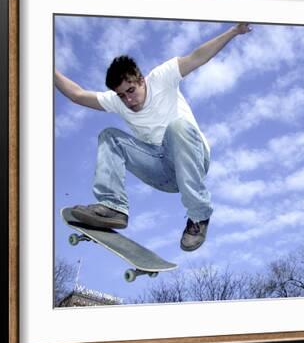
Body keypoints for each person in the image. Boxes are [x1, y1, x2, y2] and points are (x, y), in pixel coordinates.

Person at [54, 22, 252, 251]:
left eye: (131, 91)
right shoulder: (118, 102)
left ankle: (198, 217)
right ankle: (113, 207)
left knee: (177, 127)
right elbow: (77, 96)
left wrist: (233, 31)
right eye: (121, 96)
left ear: (141, 80)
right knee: (110, 136)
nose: (128, 100)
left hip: (192, 158)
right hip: (162, 173)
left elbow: (198, 57)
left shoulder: (162, 77)